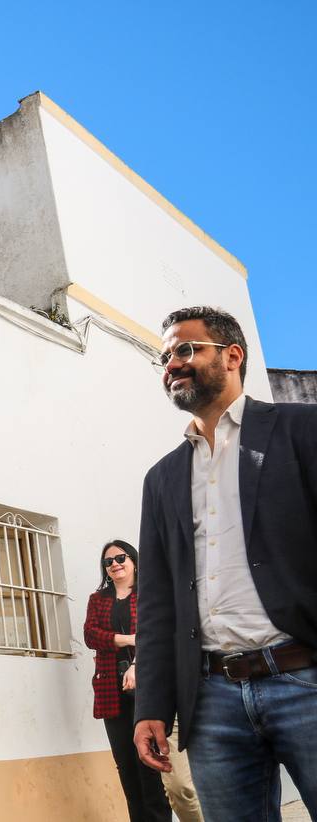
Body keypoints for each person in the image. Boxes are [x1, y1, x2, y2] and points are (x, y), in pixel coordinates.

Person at [134, 306, 317, 821]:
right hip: (212, 700)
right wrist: (151, 706)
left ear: (232, 355)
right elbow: (158, 604)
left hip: (305, 677)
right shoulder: (162, 478)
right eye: (165, 356)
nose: (172, 363)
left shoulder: (302, 432)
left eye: (186, 349)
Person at [84, 540, 171, 821]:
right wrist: (128, 639)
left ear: (133, 560)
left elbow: (156, 634)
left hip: (145, 686)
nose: (115, 564)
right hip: (112, 689)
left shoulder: (148, 594)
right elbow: (91, 636)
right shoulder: (98, 599)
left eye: (120, 558)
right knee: (125, 765)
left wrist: (137, 662)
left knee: (149, 763)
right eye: (108, 561)